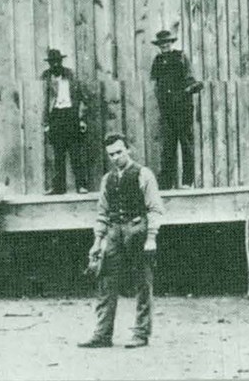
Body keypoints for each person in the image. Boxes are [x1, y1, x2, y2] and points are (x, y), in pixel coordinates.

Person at [78, 134, 165, 348]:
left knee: (142, 282)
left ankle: (141, 333)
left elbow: (155, 209)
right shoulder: (107, 179)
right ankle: (102, 334)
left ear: (128, 150)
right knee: (106, 281)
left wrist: (151, 238)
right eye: (111, 154)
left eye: (119, 152)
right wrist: (97, 241)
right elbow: (102, 213)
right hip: (114, 232)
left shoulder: (144, 174)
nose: (116, 157)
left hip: (137, 230)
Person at [150, 30, 203, 190]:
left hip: (183, 108)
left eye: (167, 42)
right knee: (168, 147)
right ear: (158, 46)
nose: (164, 45)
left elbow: (191, 80)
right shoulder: (157, 61)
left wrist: (186, 91)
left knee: (186, 144)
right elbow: (156, 84)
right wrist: (162, 102)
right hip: (167, 110)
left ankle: (187, 182)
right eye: (161, 43)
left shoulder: (181, 57)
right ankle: (166, 183)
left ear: (171, 43)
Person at [41, 49, 88, 195]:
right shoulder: (46, 77)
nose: (55, 64)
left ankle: (81, 185)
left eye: (57, 61)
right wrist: (46, 123)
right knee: (58, 155)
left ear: (61, 61)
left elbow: (81, 98)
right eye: (52, 62)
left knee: (75, 153)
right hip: (55, 116)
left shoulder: (70, 75)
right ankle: (59, 187)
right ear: (49, 64)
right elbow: (43, 102)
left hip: (70, 115)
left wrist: (81, 119)